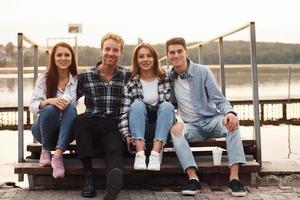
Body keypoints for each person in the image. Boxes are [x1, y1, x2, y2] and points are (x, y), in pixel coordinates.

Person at [165, 37, 247, 197]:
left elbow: (219, 100)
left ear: (186, 52)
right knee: (175, 132)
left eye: (179, 51)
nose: (176, 55)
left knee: (232, 125)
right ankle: (193, 178)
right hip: (191, 126)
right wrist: (175, 122)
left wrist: (229, 113)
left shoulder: (202, 72)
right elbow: (167, 104)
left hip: (212, 120)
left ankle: (234, 178)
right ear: (168, 56)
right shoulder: (168, 77)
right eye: (172, 52)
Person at [73, 33, 131, 200]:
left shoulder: (126, 76)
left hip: (112, 124)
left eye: (115, 50)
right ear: (101, 50)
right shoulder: (86, 76)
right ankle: (88, 178)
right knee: (79, 120)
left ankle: (113, 185)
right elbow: (70, 100)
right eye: (107, 49)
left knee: (115, 148)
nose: (111, 53)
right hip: (90, 122)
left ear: (121, 52)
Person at [119, 43, 175, 171]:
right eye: (141, 56)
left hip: (161, 129)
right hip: (139, 130)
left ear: (155, 58)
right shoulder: (131, 83)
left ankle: (155, 154)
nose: (145, 60)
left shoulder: (165, 78)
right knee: (137, 104)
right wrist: (126, 135)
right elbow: (123, 113)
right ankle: (139, 154)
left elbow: (171, 110)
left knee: (167, 106)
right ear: (136, 60)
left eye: (149, 56)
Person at [29, 42, 78, 179]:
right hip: (43, 131)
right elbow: (32, 106)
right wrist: (49, 101)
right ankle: (45, 150)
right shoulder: (43, 79)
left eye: (67, 55)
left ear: (72, 58)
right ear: (53, 58)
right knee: (51, 109)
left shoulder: (77, 80)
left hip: (65, 133)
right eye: (59, 55)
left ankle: (57, 156)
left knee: (71, 107)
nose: (63, 58)